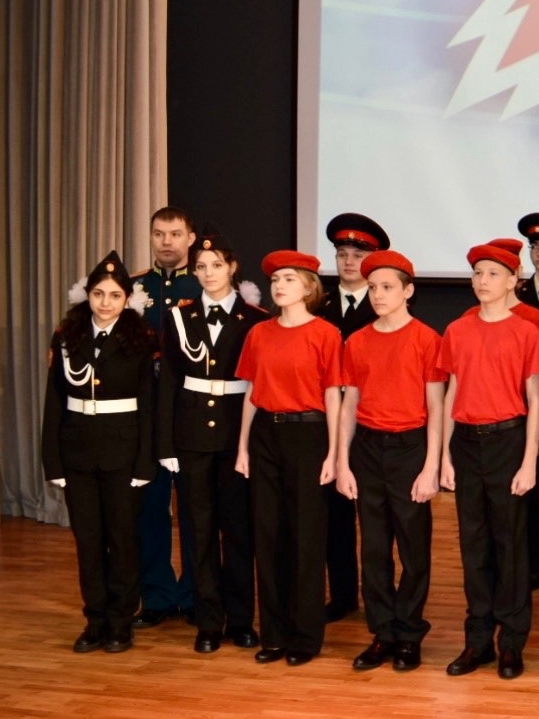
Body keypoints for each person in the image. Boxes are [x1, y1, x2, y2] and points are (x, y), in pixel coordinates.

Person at [156, 226, 269, 653]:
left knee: (239, 530)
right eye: (201, 267)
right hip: (191, 437)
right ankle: (208, 620)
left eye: (216, 265)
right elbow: (169, 382)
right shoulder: (179, 317)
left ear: (232, 267)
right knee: (198, 530)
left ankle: (240, 619)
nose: (208, 273)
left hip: (237, 435)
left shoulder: (256, 319)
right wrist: (165, 444)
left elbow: (259, 384)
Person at [436, 243, 539, 680]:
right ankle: (477, 640)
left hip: (508, 440)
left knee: (511, 544)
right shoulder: (457, 329)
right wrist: (444, 455)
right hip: (466, 441)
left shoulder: (526, 331)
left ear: (513, 281)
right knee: (473, 543)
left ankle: (512, 642)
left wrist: (529, 460)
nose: (483, 281)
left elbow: (535, 399)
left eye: (493, 274)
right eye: (478, 273)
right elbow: (451, 393)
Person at [336, 250, 445, 673]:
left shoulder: (426, 339)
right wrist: (343, 462)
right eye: (373, 288)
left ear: (408, 291)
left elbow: (436, 407)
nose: (378, 295)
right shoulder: (357, 341)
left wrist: (431, 466)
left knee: (413, 547)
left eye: (387, 287)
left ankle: (409, 632)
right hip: (367, 448)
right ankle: (383, 632)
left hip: (409, 447)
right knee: (374, 547)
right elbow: (349, 405)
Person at [43, 251, 157, 654]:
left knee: (122, 539)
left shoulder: (141, 339)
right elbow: (55, 401)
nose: (105, 302)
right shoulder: (67, 336)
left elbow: (148, 405)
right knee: (88, 541)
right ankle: (95, 619)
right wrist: (52, 460)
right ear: (86, 295)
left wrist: (145, 462)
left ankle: (121, 621)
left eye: (114, 295)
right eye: (98, 294)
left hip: (123, 453)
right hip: (77, 452)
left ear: (127, 298)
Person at [235, 251, 345, 666]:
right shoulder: (259, 333)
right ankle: (274, 633)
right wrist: (243, 447)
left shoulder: (325, 334)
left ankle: (305, 636)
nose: (279, 286)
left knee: (306, 536)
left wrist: (334, 452)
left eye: (289, 279)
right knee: (268, 534)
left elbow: (333, 396)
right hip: (266, 433)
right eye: (275, 279)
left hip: (308, 434)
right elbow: (251, 391)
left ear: (309, 287)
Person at [128, 207, 201, 630]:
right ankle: (156, 595)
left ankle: (194, 593)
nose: (166, 241)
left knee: (194, 510)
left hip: (190, 415)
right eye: (159, 234)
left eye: (175, 233)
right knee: (149, 511)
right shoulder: (134, 287)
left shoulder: (204, 284)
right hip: (145, 418)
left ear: (190, 238)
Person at [317, 212, 390, 623]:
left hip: (373, 419)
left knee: (379, 519)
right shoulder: (318, 304)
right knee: (334, 514)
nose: (348, 261)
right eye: (342, 253)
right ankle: (343, 594)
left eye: (357, 255)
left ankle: (382, 597)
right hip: (327, 420)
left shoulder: (386, 305)